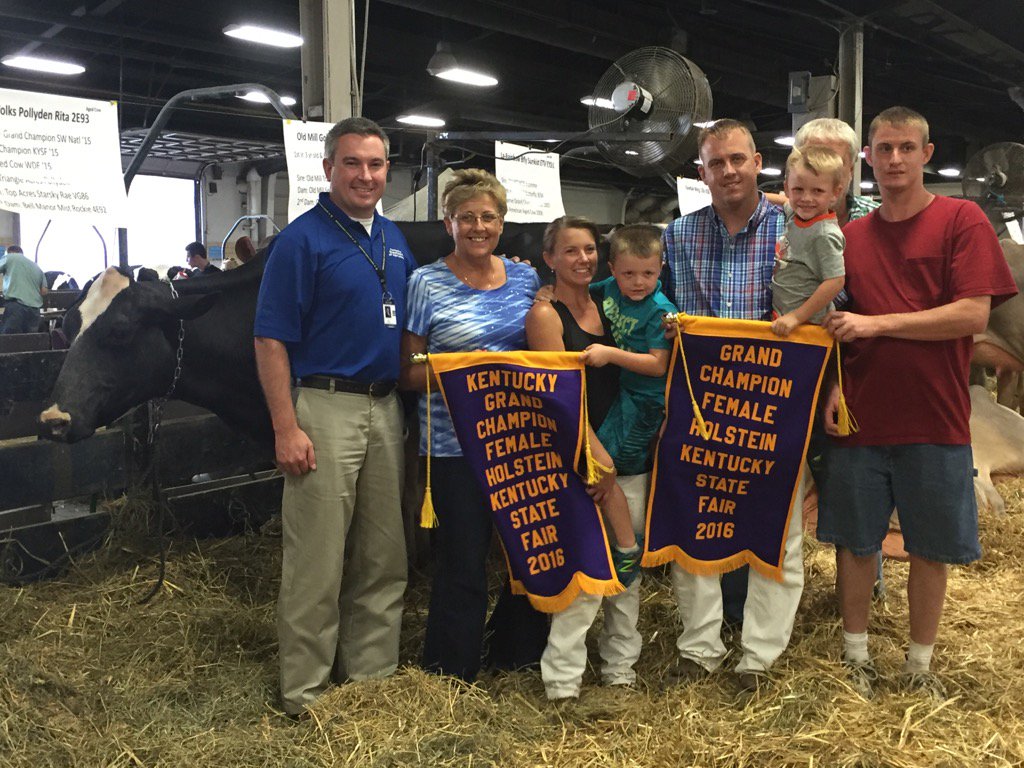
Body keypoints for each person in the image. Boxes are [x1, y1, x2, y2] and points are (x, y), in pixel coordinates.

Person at [819, 106, 1016, 699]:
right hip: (859, 416)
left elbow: (971, 315)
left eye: (907, 148)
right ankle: (856, 657)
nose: (896, 159)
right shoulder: (848, 237)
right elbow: (827, 322)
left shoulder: (962, 220)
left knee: (930, 548)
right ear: (868, 159)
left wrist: (877, 326)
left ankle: (919, 665)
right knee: (856, 543)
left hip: (937, 418)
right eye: (884, 149)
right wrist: (831, 386)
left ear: (927, 154)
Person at [253, 116, 414, 717]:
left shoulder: (394, 239)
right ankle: (306, 694)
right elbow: (270, 339)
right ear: (328, 169)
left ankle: (371, 681)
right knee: (317, 558)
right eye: (352, 163)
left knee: (383, 554)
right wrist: (285, 427)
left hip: (384, 405)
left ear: (386, 171)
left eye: (375, 165)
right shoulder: (302, 240)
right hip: (324, 406)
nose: (365, 175)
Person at [661, 119, 802, 692]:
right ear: (702, 172)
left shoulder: (799, 227)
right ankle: (700, 648)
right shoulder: (677, 234)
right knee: (696, 522)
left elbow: (833, 295)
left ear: (759, 161)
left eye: (738, 159)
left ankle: (759, 657)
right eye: (716, 163)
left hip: (775, 401)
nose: (729, 171)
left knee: (778, 529)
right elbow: (651, 297)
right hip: (700, 401)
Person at [399, 168, 548, 683]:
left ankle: (515, 656)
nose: (477, 226)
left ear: (502, 224)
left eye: (488, 217)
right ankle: (451, 671)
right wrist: (466, 370)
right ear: (449, 224)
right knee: (462, 563)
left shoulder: (526, 278)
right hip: (452, 447)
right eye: (467, 218)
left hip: (517, 443)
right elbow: (411, 371)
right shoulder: (424, 282)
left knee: (522, 556)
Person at [527, 216, 652, 700]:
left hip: (626, 452)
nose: (583, 258)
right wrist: (593, 457)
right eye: (571, 251)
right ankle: (562, 681)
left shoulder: (609, 297)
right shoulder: (545, 315)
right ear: (550, 259)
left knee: (627, 570)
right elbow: (557, 397)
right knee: (584, 572)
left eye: (588, 250)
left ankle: (621, 669)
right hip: (580, 455)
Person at [770, 145, 847, 337]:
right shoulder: (798, 215)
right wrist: (756, 197)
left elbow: (835, 281)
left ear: (835, 193)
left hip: (808, 326)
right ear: (787, 188)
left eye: (818, 191)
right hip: (785, 317)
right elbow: (785, 203)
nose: (806, 198)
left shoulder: (824, 234)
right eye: (798, 189)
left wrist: (796, 317)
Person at [0, 245, 47, 334]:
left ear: (10, 252)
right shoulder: (36, 267)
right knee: (29, 341)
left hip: (16, 307)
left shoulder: (10, 257)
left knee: (9, 340)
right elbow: (44, 291)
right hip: (34, 311)